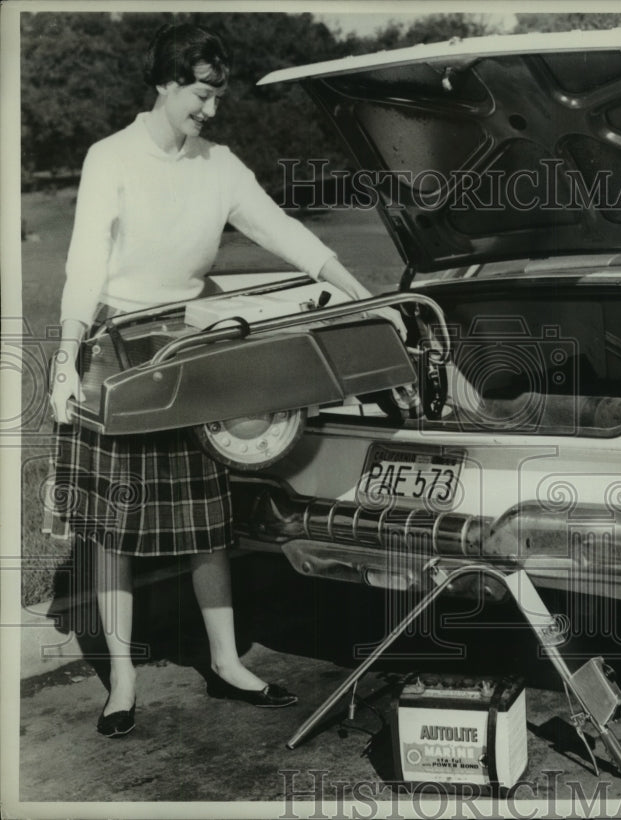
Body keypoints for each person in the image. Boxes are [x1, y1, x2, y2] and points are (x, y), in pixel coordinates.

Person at [47, 22, 391, 738]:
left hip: (192, 348)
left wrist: (360, 292)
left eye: (217, 95)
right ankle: (122, 678)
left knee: (207, 521)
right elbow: (83, 265)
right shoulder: (109, 158)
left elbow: (283, 230)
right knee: (113, 530)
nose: (211, 108)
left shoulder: (221, 164)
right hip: (117, 349)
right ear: (167, 84)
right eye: (201, 94)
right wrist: (64, 357)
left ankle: (229, 662)